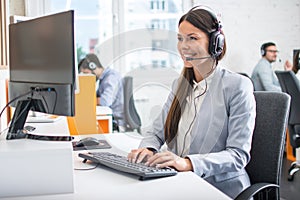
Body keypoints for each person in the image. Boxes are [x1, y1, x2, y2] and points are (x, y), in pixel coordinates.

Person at [127, 6, 256, 199]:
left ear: (215, 44)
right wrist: (148, 149)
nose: (183, 46)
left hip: (221, 189)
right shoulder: (180, 85)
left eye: (192, 38)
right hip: (181, 182)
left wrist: (187, 163)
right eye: (180, 38)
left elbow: (238, 155)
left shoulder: (237, 86)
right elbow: (156, 131)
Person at [78, 53, 125, 131]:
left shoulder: (111, 77)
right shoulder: (103, 79)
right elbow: (96, 97)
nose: (86, 77)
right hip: (111, 117)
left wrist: (84, 102)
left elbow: (105, 101)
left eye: (86, 73)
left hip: (117, 121)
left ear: (93, 67)